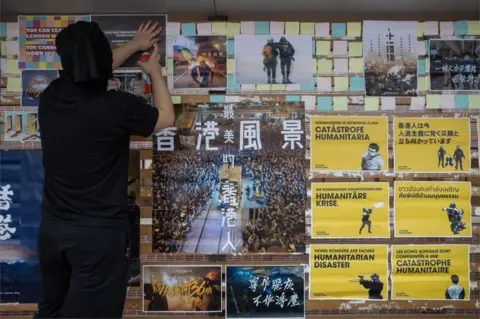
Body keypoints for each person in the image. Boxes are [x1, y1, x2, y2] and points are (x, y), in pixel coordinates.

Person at [36, 20, 174, 318]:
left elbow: (91, 65)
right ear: (102, 58)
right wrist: (155, 73)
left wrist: (134, 45)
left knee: (51, 310)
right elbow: (165, 117)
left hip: (53, 232)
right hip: (98, 238)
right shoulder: (117, 106)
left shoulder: (50, 97)